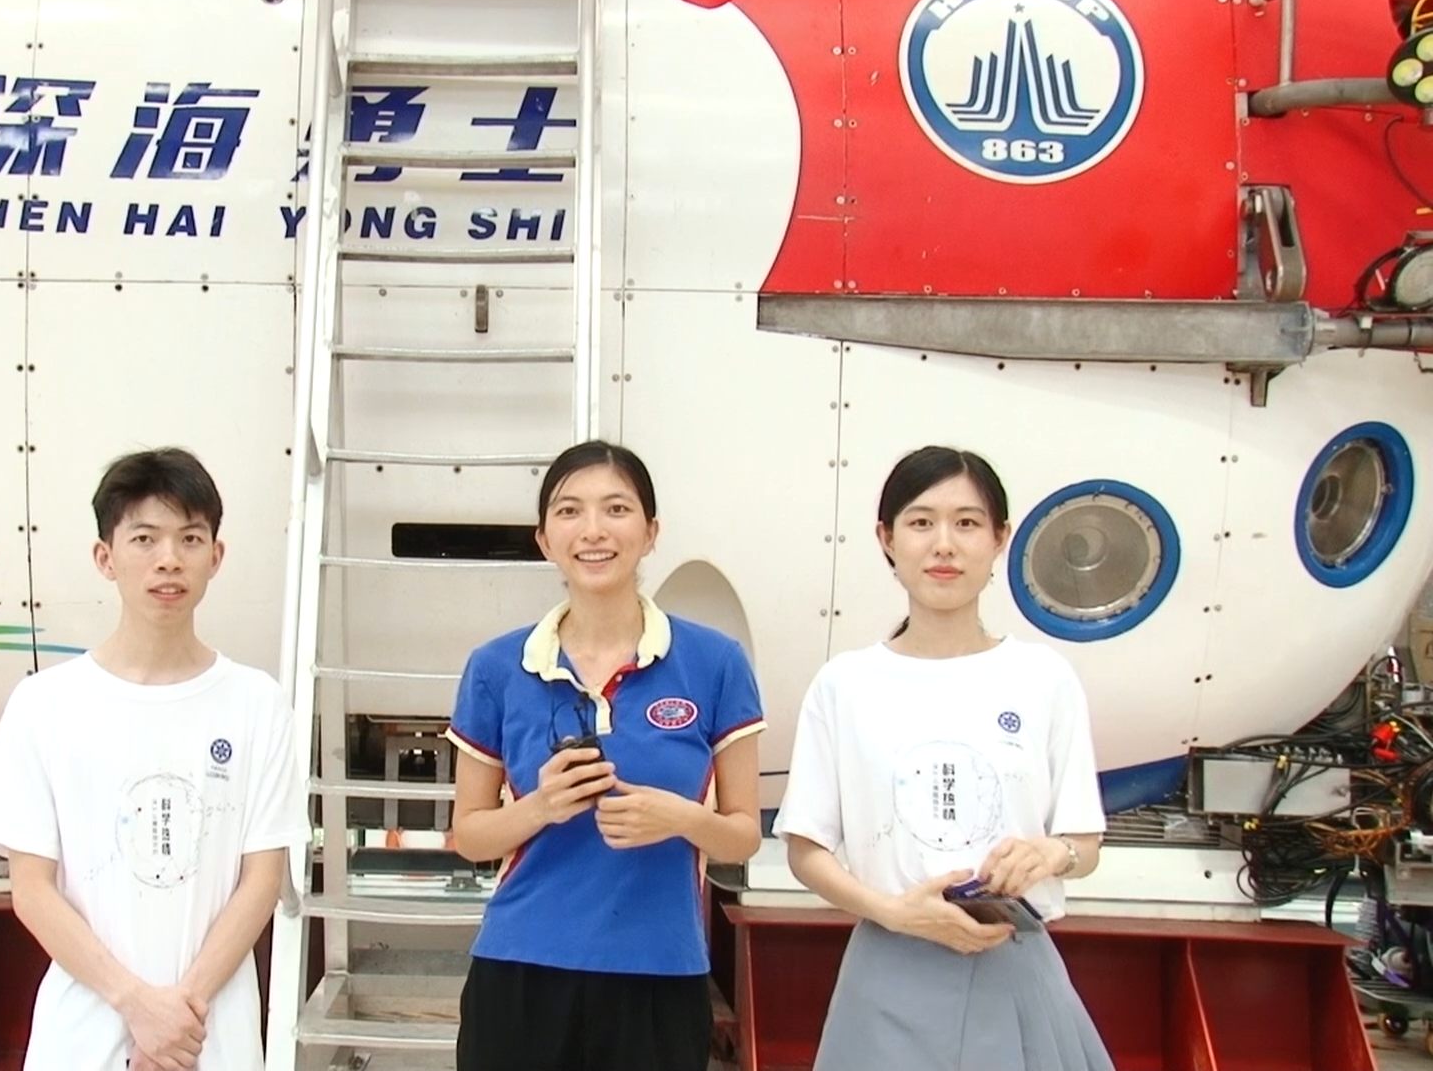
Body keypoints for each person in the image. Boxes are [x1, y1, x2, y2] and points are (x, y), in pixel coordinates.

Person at [771, 445, 1114, 1071]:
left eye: (967, 523)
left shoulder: (1043, 678)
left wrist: (1051, 854)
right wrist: (893, 912)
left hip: (1015, 967)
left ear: (1000, 538)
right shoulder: (845, 684)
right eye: (922, 522)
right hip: (888, 969)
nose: (944, 545)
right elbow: (806, 850)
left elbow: (1084, 843)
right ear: (887, 539)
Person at [0, 447, 305, 1071]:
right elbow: (32, 890)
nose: (168, 559)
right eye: (144, 538)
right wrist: (137, 1005)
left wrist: (177, 1019)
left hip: (208, 1042)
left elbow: (261, 882)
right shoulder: (45, 704)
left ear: (215, 556)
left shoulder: (257, 703)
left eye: (190, 538)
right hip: (82, 1039)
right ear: (105, 557)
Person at [445, 440, 766, 1071]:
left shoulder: (715, 662)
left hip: (659, 973)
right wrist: (541, 806)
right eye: (570, 511)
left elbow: (743, 837)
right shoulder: (496, 667)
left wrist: (679, 818)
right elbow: (471, 836)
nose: (593, 530)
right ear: (545, 540)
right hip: (520, 970)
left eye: (616, 509)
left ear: (651, 533)